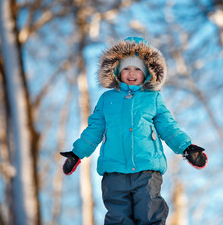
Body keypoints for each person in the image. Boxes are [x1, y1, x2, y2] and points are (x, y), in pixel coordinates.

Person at [60, 37, 208, 225]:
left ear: (146, 72)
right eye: (126, 68)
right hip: (114, 171)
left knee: (149, 213)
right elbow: (94, 129)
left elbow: (168, 127)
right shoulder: (107, 99)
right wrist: (77, 153)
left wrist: (186, 147)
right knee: (118, 218)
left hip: (146, 169)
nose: (131, 73)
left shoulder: (152, 98)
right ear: (116, 71)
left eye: (137, 68)